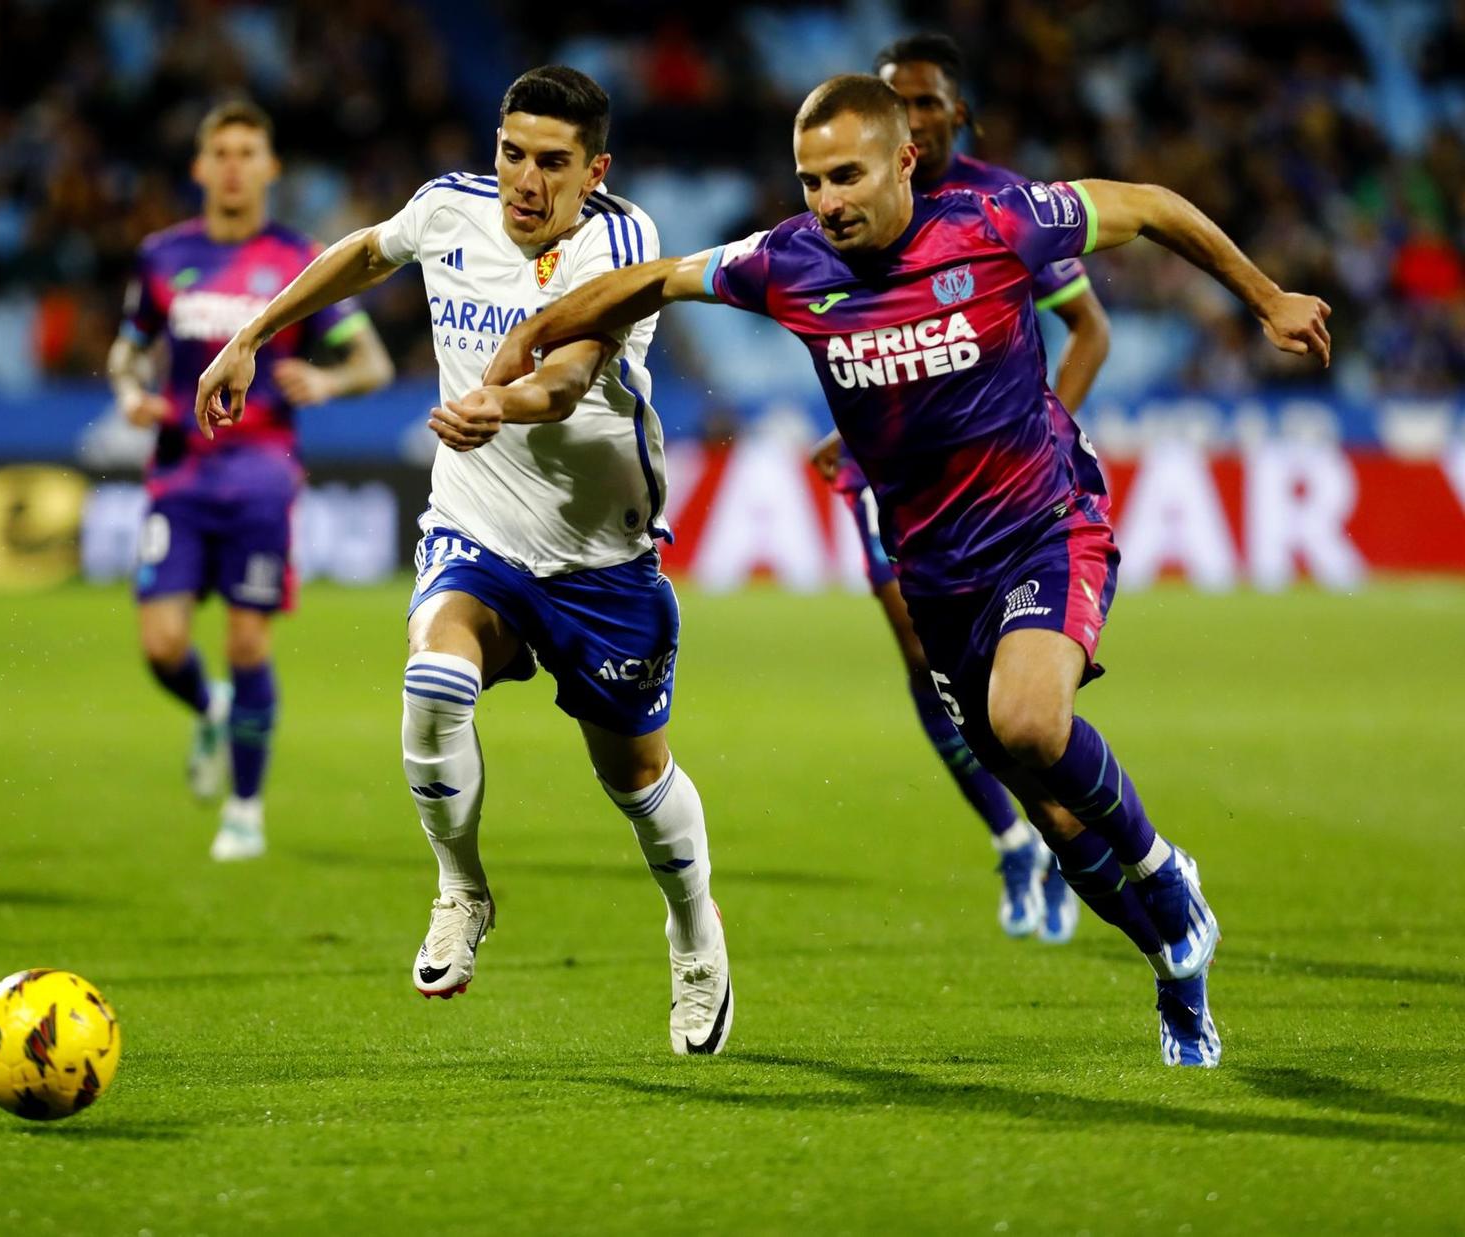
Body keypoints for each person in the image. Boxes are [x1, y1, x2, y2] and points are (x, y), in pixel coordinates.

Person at [484, 75, 1333, 1067]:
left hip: (1044, 526)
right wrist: (535, 330)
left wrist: (1266, 295)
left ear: (902, 162)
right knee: (1048, 808)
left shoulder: (1000, 221)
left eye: (844, 175)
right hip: (936, 574)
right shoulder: (785, 262)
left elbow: (1145, 207)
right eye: (808, 181)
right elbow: (653, 279)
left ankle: (1161, 865)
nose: (826, 200)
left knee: (1027, 722)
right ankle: (1171, 965)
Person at [195, 67, 733, 1055]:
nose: (525, 180)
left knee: (636, 780)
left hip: (599, 560)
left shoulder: (623, 242)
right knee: (434, 678)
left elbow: (569, 376)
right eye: (511, 153)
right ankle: (460, 885)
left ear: (594, 170)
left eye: (552, 163)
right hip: (476, 531)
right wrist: (251, 334)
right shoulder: (449, 207)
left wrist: (501, 402)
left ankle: (694, 930)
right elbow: (363, 252)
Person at [808, 32, 1117, 943]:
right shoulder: (853, 197)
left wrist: (1033, 427)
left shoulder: (1004, 204)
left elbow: (1089, 331)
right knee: (920, 647)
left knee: (1014, 694)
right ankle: (1011, 835)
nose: (914, 111)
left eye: (928, 98)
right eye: (895, 97)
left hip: (1007, 480)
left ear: (955, 112)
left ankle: (1063, 828)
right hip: (892, 473)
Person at [109, 100, 393, 861]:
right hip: (178, 467)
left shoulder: (305, 262)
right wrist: (129, 391)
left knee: (245, 640)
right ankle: (209, 710)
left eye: (248, 152)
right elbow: (127, 349)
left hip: (262, 475)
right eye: (222, 152)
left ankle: (244, 808)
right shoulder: (162, 256)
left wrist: (327, 384)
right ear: (200, 167)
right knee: (164, 644)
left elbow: (373, 362)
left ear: (271, 168)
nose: (234, 165)